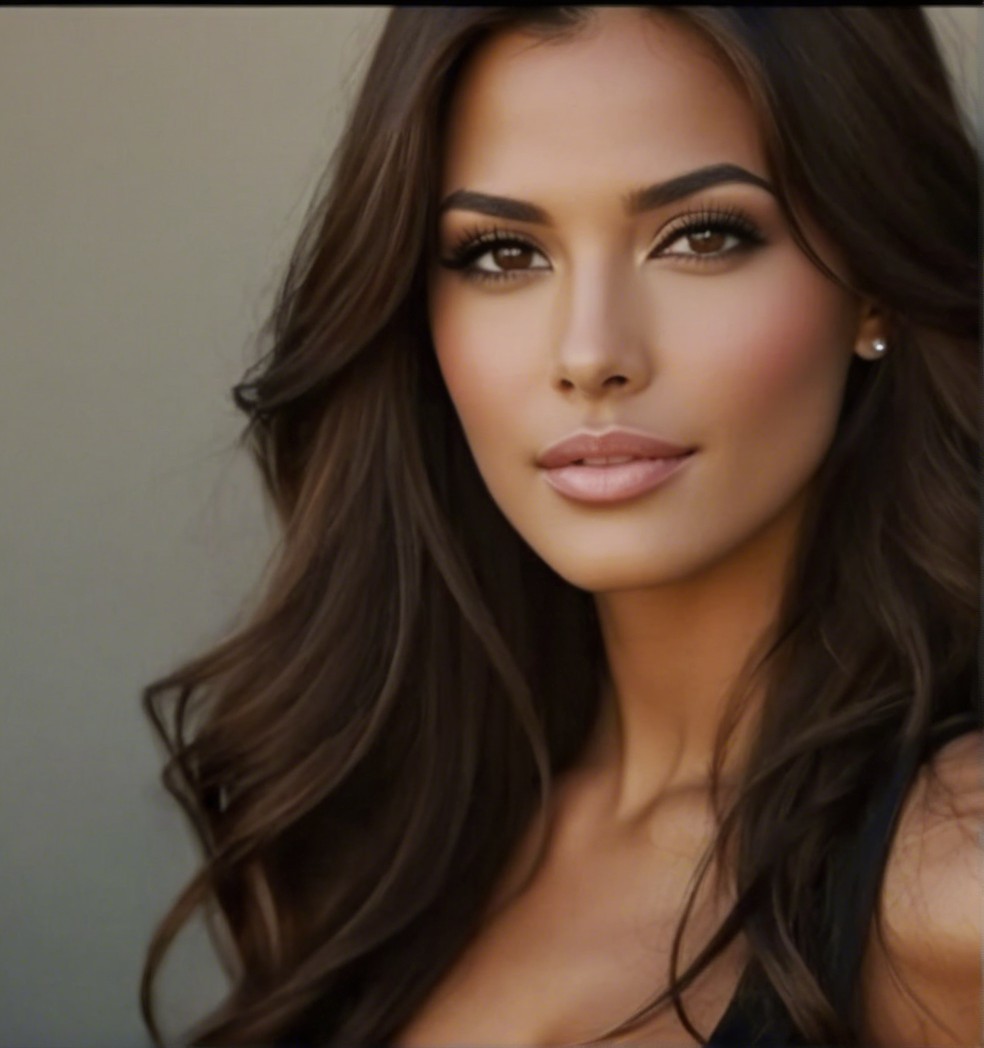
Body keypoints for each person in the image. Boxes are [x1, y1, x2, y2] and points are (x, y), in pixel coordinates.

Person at [140, 7, 981, 1046]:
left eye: (702, 237)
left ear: (872, 285)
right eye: (501, 254)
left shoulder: (954, 879)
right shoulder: (375, 829)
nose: (590, 353)